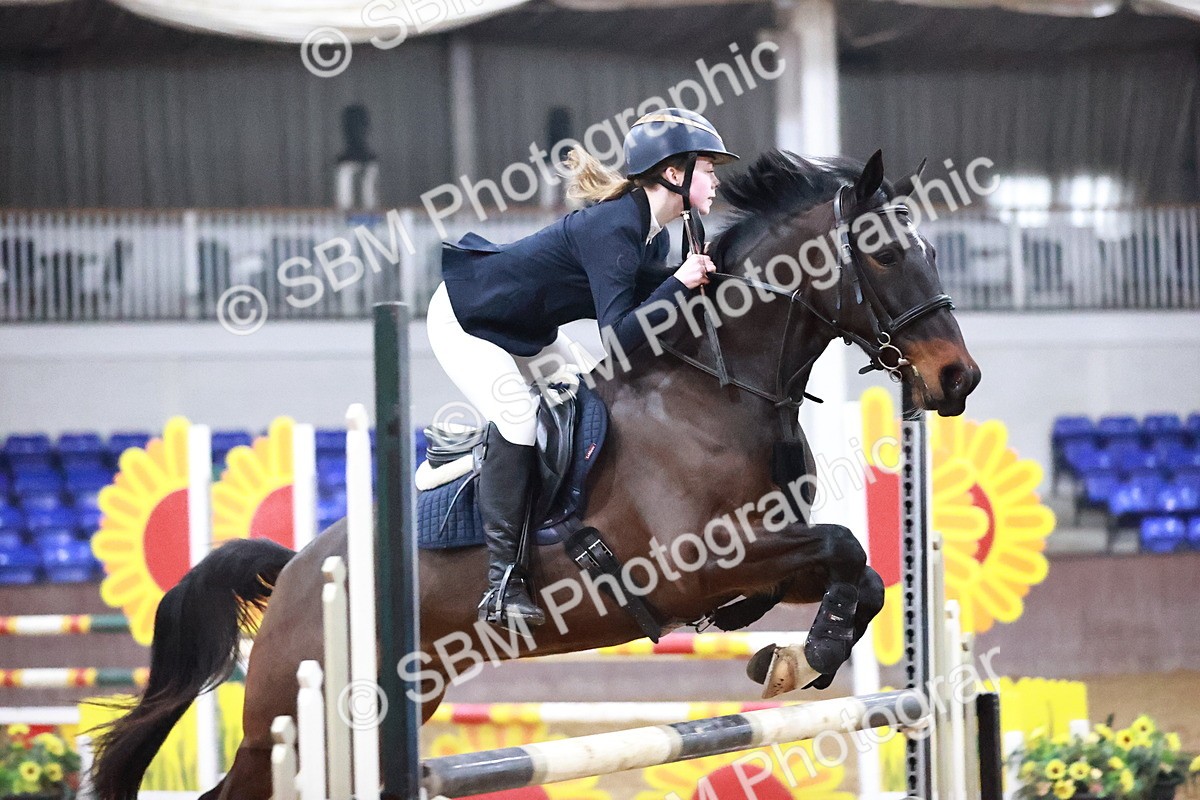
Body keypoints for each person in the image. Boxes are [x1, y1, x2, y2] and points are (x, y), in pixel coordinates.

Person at [427, 108, 738, 629]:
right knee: (520, 420)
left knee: (588, 393)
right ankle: (503, 580)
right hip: (467, 319)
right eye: (708, 167)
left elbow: (653, 320)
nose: (716, 179)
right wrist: (680, 282)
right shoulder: (614, 226)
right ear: (674, 174)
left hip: (528, 332)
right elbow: (619, 336)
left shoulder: (653, 235)